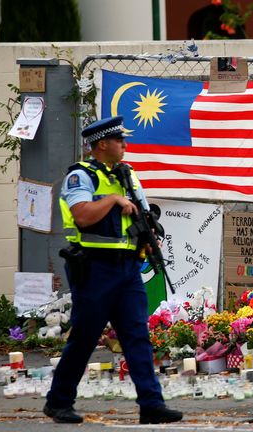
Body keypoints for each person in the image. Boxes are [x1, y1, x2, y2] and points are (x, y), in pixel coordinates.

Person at [45, 116, 183, 425]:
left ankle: (151, 404)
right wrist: (112, 199)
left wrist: (148, 238)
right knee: (84, 337)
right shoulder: (81, 177)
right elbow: (82, 216)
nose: (125, 144)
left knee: (137, 336)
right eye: (119, 140)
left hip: (128, 269)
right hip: (94, 268)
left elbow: (144, 214)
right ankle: (58, 401)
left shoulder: (128, 175)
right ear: (102, 144)